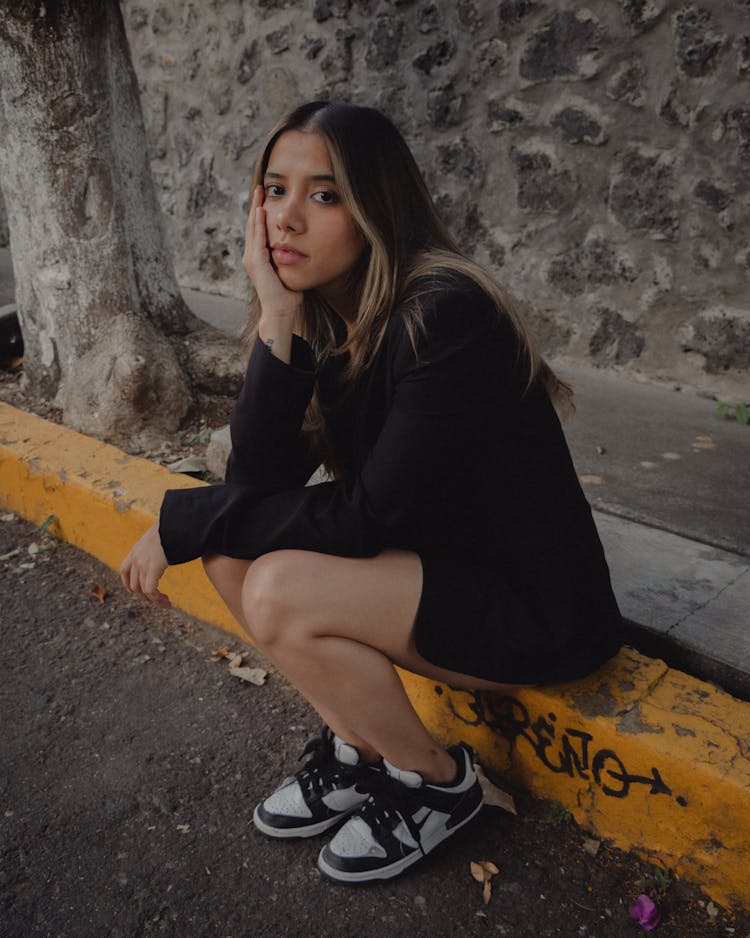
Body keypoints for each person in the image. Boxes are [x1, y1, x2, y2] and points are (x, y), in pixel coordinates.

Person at [120, 100, 622, 884]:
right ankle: (359, 751)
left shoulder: (445, 315)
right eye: (275, 189)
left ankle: (434, 784)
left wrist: (184, 516)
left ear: (375, 209)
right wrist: (277, 313)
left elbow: (365, 519)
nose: (286, 219)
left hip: (531, 608)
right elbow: (258, 482)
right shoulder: (325, 314)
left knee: (274, 577)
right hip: (431, 569)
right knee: (229, 549)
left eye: (324, 195)